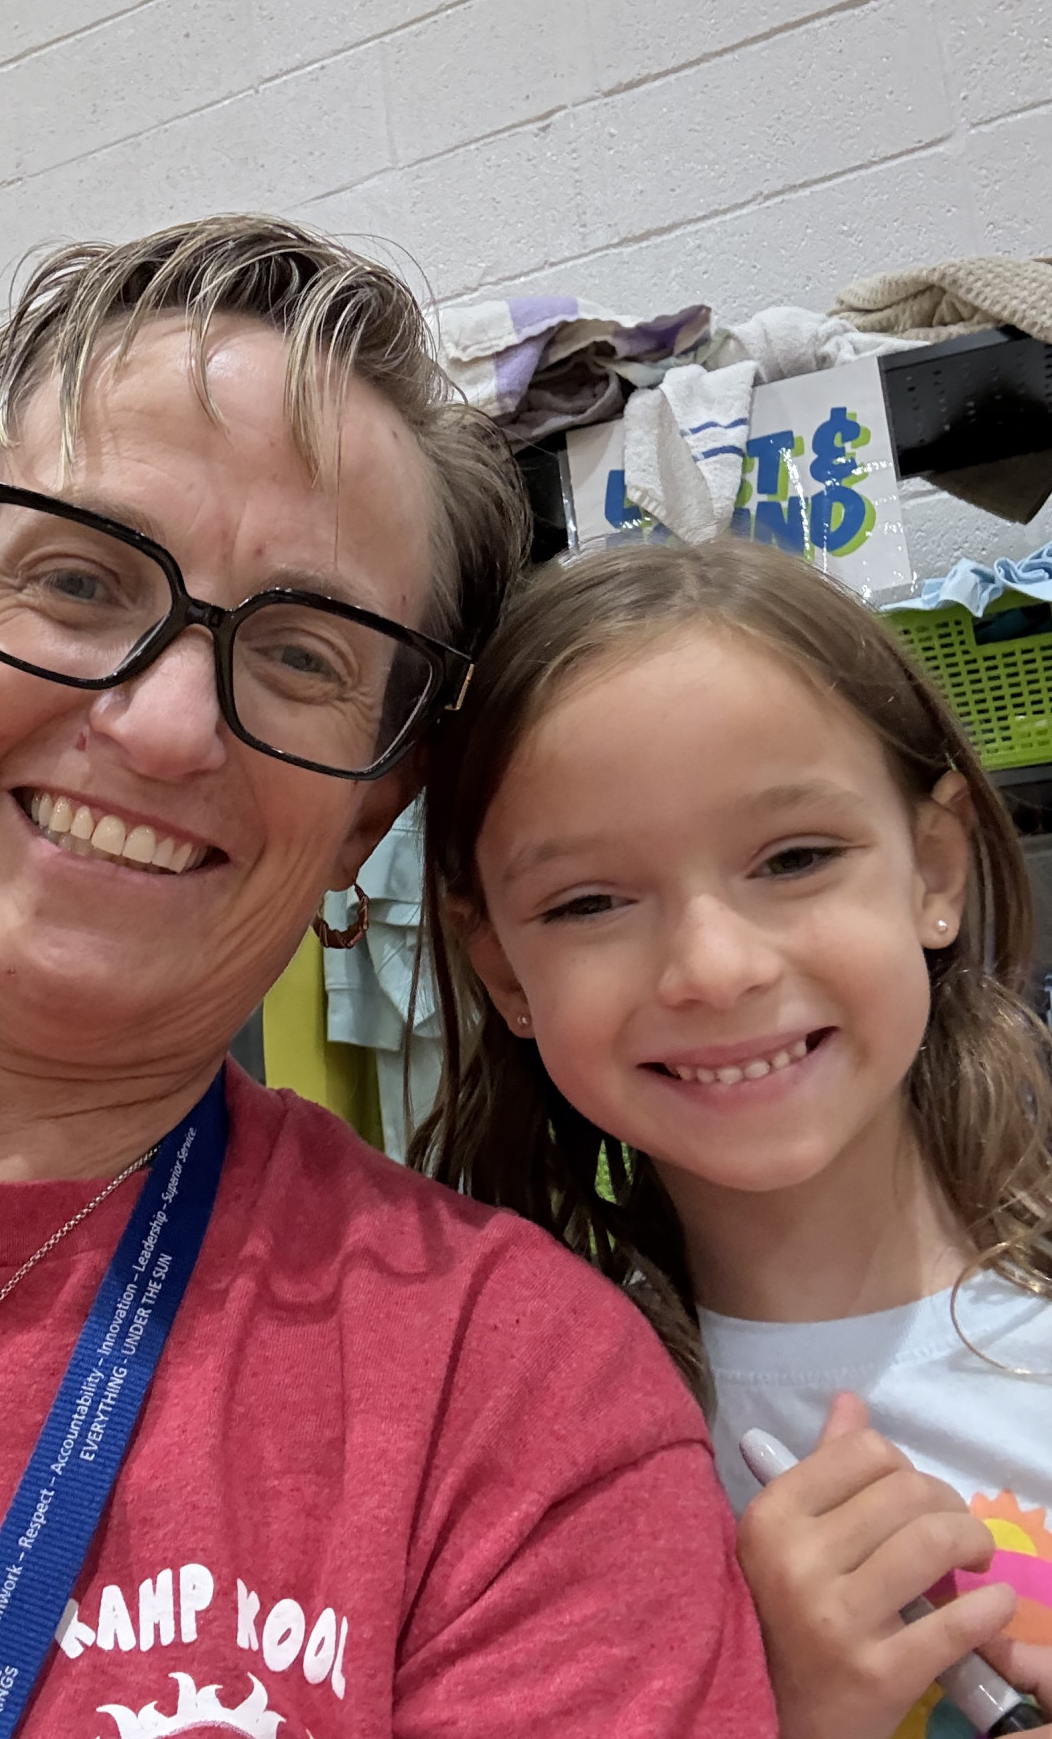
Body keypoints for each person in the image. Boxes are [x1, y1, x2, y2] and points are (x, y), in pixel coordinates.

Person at [0, 217, 775, 1737]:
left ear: (368, 815)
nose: (170, 727)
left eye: (304, 655)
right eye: (78, 581)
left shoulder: (514, 1402)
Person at [416, 537, 1052, 1739]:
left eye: (795, 858)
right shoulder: (531, 1447)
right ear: (501, 967)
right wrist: (787, 1713)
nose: (714, 966)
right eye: (589, 901)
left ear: (934, 867)